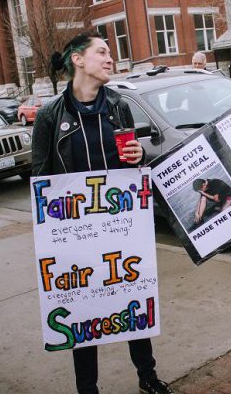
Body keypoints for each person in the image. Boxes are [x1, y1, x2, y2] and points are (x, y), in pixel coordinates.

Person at [32, 32, 175, 394]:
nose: (111, 58)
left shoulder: (117, 105)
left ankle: (148, 376)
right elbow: (40, 178)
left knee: (131, 300)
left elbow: (132, 161)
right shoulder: (51, 115)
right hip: (76, 232)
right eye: (102, 52)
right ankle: (87, 387)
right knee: (83, 308)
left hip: (122, 227)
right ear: (78, 60)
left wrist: (139, 157)